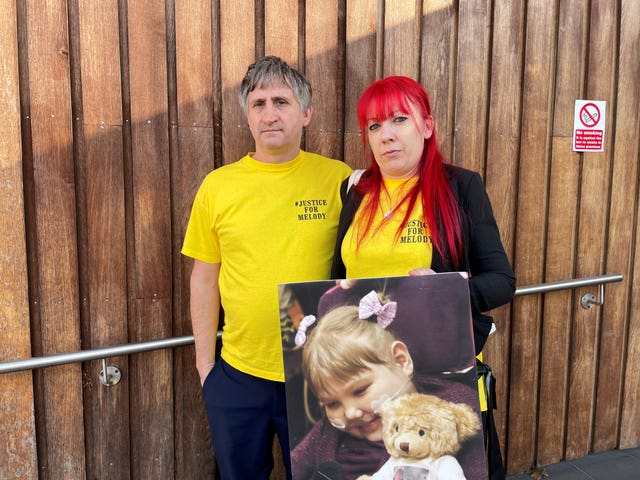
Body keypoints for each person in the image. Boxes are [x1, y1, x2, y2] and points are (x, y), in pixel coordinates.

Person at [331, 76, 516, 479]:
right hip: (369, 379)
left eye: (399, 119)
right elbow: (336, 280)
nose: (386, 135)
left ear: (426, 127)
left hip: (440, 376)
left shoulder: (460, 187)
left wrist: (447, 290)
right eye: (375, 126)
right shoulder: (357, 190)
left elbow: (502, 280)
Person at [181, 55, 352, 479]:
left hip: (318, 374)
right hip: (239, 374)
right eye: (258, 104)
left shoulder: (339, 180)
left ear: (306, 113)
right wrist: (207, 369)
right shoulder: (218, 186)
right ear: (248, 115)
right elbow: (204, 278)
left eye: (281, 101)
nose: (269, 114)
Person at [291, 284, 485, 480]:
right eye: (332, 403)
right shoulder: (328, 433)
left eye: (360, 390)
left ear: (401, 360)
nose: (350, 413)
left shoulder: (450, 407)